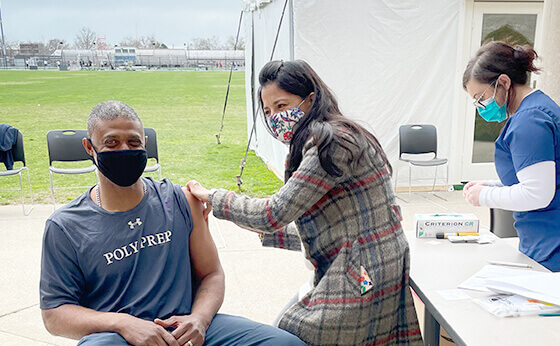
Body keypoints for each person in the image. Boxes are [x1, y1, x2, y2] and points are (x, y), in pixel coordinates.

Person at [187, 60, 421, 345]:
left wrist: (215, 198)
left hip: (365, 272)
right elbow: (327, 226)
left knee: (294, 335)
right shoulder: (327, 137)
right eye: (268, 111)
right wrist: (264, 230)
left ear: (310, 100)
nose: (274, 118)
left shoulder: (332, 142)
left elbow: (274, 212)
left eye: (282, 106)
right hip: (367, 264)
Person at [39, 101, 305, 346]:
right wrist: (122, 323)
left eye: (133, 143)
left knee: (286, 344)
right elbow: (54, 314)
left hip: (187, 326)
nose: (124, 150)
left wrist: (199, 319)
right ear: (90, 148)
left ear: (144, 143)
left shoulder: (179, 200)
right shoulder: (65, 226)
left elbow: (211, 274)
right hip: (119, 337)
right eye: (111, 142)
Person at [462, 41, 560, 281]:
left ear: (503, 82)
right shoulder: (537, 108)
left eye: (481, 97)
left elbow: (537, 194)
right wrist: (492, 185)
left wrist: (483, 196)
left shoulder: (529, 121)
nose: (481, 107)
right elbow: (542, 179)